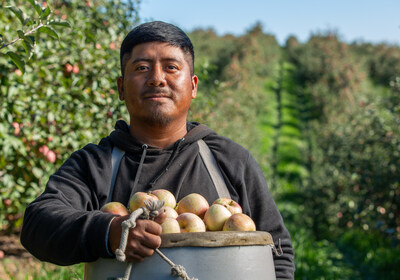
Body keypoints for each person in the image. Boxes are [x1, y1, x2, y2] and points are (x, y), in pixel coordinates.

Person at [20, 21, 295, 279]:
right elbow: (37, 226)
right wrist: (112, 232)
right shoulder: (95, 164)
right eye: (141, 68)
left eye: (171, 67)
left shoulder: (230, 160)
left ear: (193, 86)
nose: (157, 79)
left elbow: (277, 253)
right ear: (121, 88)